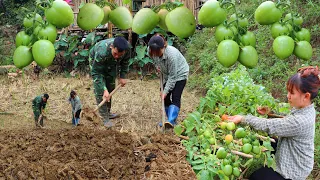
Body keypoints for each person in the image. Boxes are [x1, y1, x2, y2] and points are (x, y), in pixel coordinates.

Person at [228, 66, 320, 180]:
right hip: (294, 151)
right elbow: (286, 119)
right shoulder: (307, 109)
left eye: (292, 93)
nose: (288, 96)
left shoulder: (300, 122)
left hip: (294, 171)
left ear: (306, 96)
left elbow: (270, 125)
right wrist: (270, 112)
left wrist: (243, 118)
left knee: (256, 177)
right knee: (262, 140)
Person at [148, 34, 189, 129]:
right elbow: (154, 60)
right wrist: (157, 66)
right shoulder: (150, 50)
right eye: (153, 52)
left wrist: (165, 92)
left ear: (164, 47)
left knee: (175, 96)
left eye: (158, 52)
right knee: (165, 98)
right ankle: (169, 120)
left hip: (179, 74)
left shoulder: (172, 55)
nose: (156, 54)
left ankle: (171, 121)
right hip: (167, 74)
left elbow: (173, 77)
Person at [89, 36, 130, 127]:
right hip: (96, 60)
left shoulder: (126, 49)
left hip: (110, 62)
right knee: (101, 89)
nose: (117, 57)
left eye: (120, 55)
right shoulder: (101, 52)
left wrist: (122, 76)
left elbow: (125, 62)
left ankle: (107, 112)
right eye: (115, 53)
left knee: (111, 85)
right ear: (112, 47)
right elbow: (96, 73)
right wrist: (103, 89)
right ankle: (104, 117)